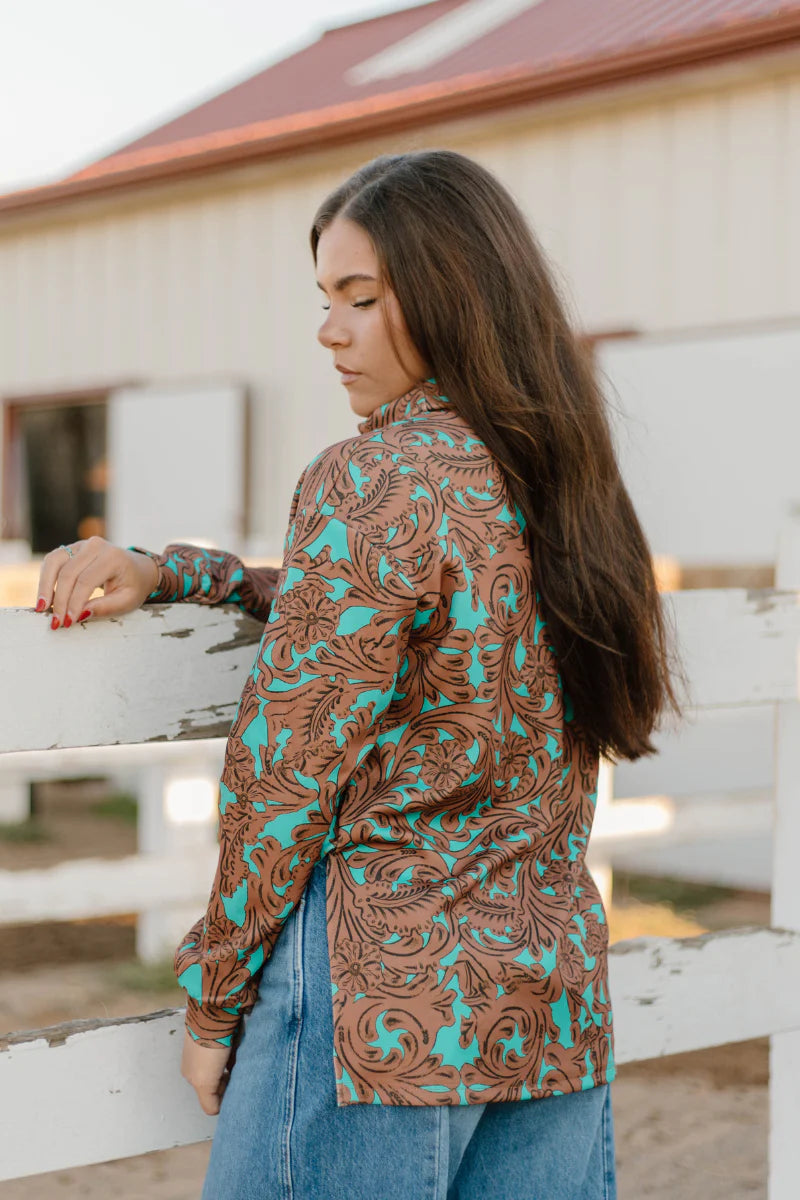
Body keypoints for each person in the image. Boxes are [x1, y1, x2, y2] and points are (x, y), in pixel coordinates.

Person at [35, 149, 683, 1200]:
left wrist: (212, 998)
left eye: (360, 299)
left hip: (376, 1006)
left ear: (452, 295)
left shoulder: (373, 475)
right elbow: (383, 605)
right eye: (324, 299)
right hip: (548, 997)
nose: (328, 331)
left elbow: (281, 774)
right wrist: (176, 573)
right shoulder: (558, 481)